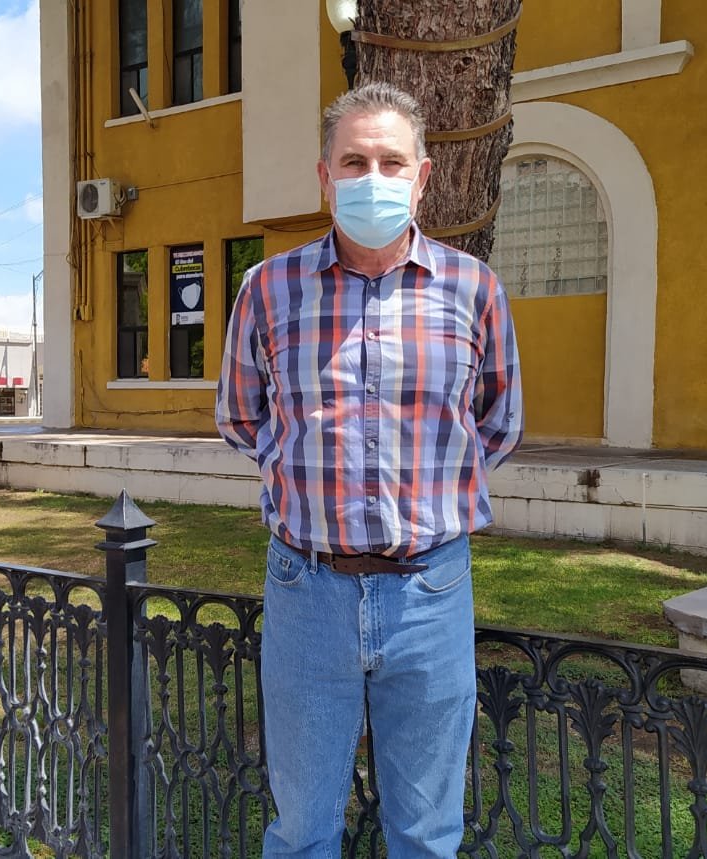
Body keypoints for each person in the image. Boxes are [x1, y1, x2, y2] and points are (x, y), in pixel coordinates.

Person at [215, 82, 524, 858]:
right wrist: (307, 476)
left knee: (426, 833)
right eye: (354, 161)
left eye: (392, 161)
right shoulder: (267, 289)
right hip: (307, 590)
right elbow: (241, 416)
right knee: (300, 829)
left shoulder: (473, 289)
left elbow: (497, 420)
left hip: (432, 591)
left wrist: (426, 490)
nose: (373, 177)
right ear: (325, 176)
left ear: (422, 177)